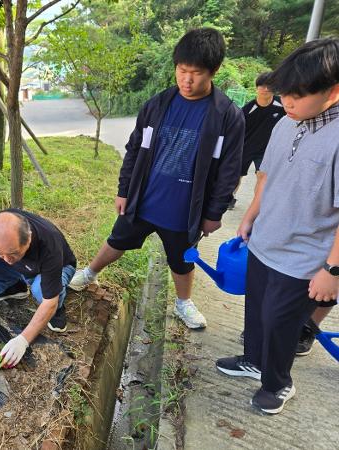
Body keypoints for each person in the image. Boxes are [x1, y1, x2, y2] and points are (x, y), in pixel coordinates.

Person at [68, 28, 245, 329]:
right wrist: (124, 189)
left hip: (185, 207)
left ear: (213, 71)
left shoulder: (227, 115)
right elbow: (135, 148)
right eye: (182, 70)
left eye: (196, 73)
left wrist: (215, 212)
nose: (187, 80)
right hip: (145, 197)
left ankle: (183, 303)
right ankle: (90, 273)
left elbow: (229, 169)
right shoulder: (157, 104)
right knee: (117, 239)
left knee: (182, 259)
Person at [216, 38, 339, 415]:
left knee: (280, 323)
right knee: (255, 312)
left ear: (333, 91)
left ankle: (278, 383)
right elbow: (267, 175)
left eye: (298, 96)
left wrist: (332, 270)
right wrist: (251, 215)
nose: (287, 102)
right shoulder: (287, 123)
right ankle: (253, 360)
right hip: (265, 240)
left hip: (304, 256)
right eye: (285, 92)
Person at [0, 210, 76, 368]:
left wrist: (23, 340)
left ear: (28, 239)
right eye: (1, 253)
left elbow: (49, 302)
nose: (7, 261)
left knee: (42, 292)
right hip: (25, 266)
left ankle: (59, 309)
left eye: (13, 253)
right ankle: (14, 288)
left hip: (58, 268)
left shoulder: (49, 244)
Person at [229, 72, 285, 209]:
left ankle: (257, 204)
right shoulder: (247, 109)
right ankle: (230, 198)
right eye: (262, 86)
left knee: (262, 176)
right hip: (245, 147)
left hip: (267, 149)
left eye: (269, 86)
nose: (266, 89)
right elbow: (235, 130)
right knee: (237, 176)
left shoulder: (282, 105)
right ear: (256, 88)